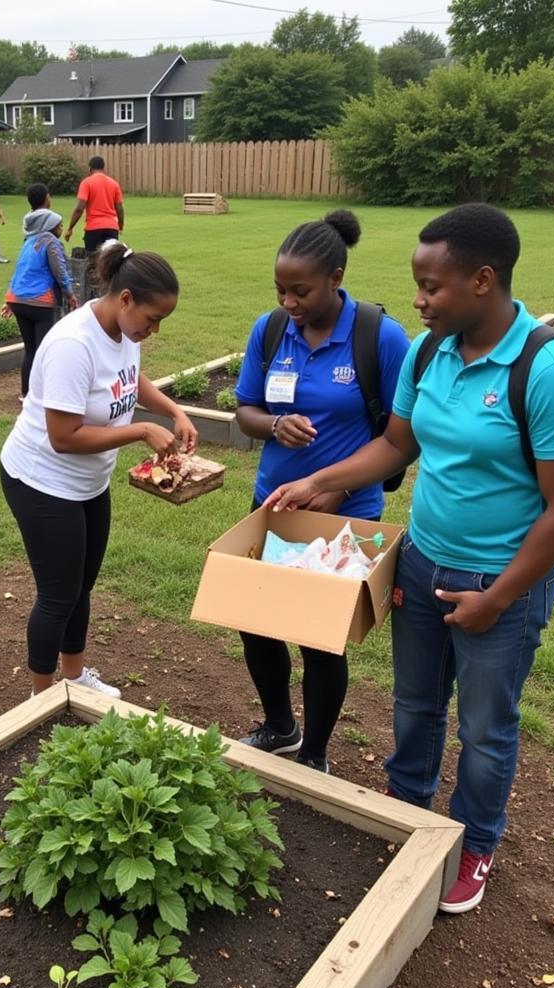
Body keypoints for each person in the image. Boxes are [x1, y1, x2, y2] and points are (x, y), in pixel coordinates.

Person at [263, 203, 554, 912]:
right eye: (418, 285)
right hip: (422, 562)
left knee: (485, 727)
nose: (418, 300)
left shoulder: (548, 369)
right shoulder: (428, 351)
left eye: (431, 286)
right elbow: (395, 447)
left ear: (483, 280)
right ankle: (406, 810)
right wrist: (319, 481)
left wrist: (499, 597)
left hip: (499, 583)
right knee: (415, 705)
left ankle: (475, 843)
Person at [234, 211, 410, 774]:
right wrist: (273, 425)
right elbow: (245, 410)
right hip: (274, 506)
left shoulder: (378, 337)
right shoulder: (269, 331)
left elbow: (402, 436)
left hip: (345, 514)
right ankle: (279, 725)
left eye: (301, 290)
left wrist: (336, 490)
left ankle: (314, 753)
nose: (289, 301)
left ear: (336, 277)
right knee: (258, 624)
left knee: (319, 639)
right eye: (280, 289)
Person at [0, 241, 198, 699]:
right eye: (153, 319)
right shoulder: (74, 343)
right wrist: (141, 433)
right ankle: (40, 697)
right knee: (58, 594)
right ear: (125, 299)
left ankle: (74, 678)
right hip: (41, 481)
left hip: (88, 482)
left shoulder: (123, 332)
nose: (155, 330)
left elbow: (129, 380)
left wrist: (174, 410)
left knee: (81, 585)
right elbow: (63, 437)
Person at [2, 183, 78, 399]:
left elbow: (20, 271)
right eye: (60, 226)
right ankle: (41, 396)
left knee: (30, 350)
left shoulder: (28, 241)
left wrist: (9, 300)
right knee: (44, 350)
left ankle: (26, 394)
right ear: (50, 226)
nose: (61, 230)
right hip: (39, 303)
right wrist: (69, 293)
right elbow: (60, 270)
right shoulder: (51, 242)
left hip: (18, 300)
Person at [65, 156, 124, 253]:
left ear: (90, 169)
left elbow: (79, 209)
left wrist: (70, 228)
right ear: (103, 168)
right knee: (111, 261)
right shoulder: (114, 184)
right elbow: (120, 209)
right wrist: (120, 226)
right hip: (111, 228)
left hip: (93, 228)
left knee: (92, 262)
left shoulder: (87, 183)